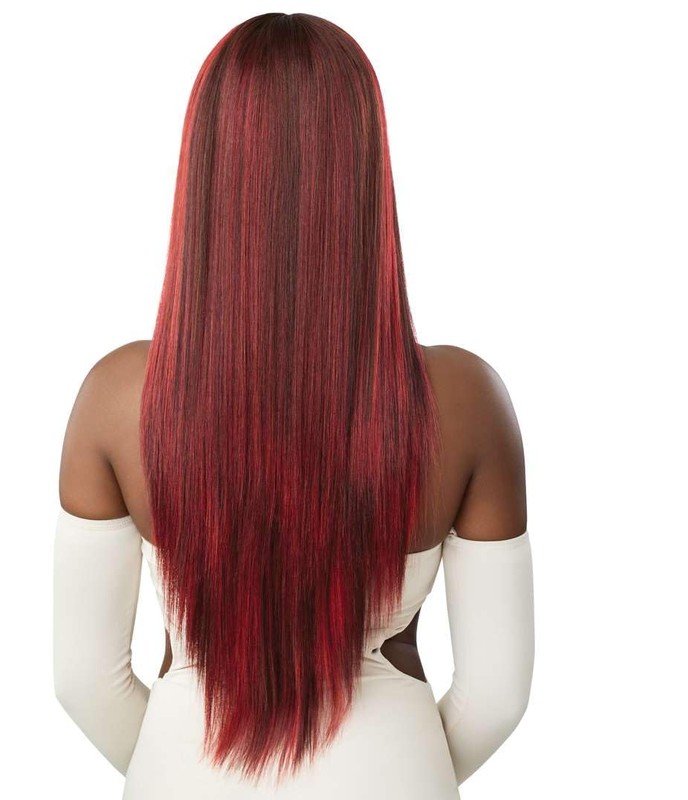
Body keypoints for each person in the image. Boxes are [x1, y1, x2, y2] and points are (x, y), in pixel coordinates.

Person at [53, 12, 534, 799]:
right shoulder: (466, 401)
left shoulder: (117, 397)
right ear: (365, 169)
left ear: (206, 165)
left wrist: (181, 763)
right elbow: (497, 697)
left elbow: (82, 679)